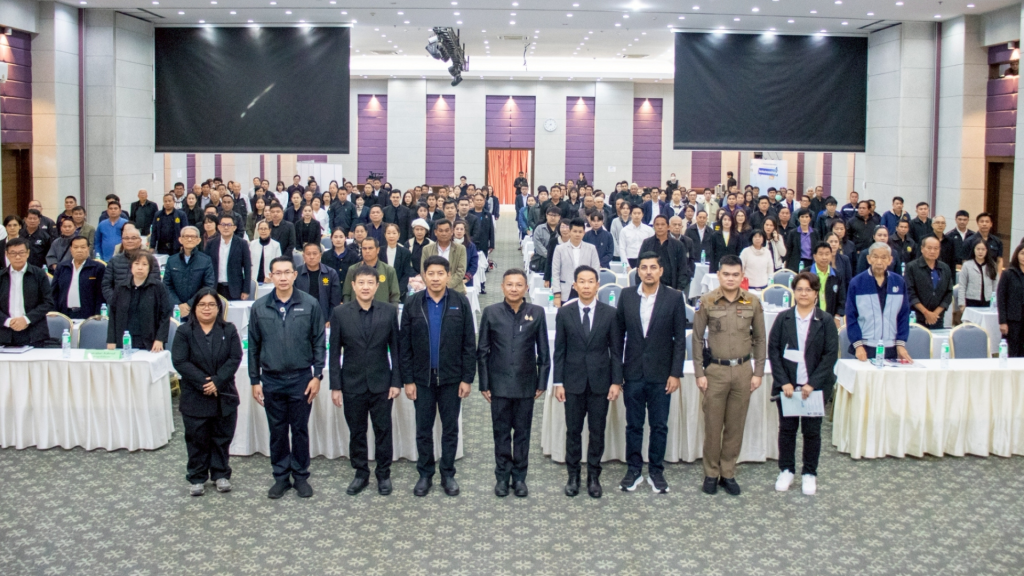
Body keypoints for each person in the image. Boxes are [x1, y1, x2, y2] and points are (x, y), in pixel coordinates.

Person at [248, 255, 326, 499]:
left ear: (294, 275)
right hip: (271, 379)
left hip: (301, 378)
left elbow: (319, 341)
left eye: (287, 272)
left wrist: (317, 375)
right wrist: (254, 380)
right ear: (270, 276)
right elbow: (253, 346)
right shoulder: (259, 307)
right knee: (278, 431)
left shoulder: (310, 304)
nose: (282, 277)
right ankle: (281, 477)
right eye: (277, 273)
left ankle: (301, 476)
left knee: (300, 430)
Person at [400, 256, 476, 497]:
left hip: (451, 379)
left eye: (440, 273)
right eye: (430, 273)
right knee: (423, 429)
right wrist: (408, 380)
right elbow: (404, 346)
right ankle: (425, 474)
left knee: (450, 429)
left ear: (448, 276)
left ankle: (448, 474)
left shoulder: (460, 302)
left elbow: (469, 343)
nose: (435, 278)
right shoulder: (412, 303)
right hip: (421, 379)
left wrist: (467, 378)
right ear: (424, 276)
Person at [692, 254, 767, 496]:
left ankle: (728, 472)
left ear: (742, 276)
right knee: (713, 426)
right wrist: (699, 372)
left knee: (735, 426)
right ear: (719, 275)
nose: (731, 279)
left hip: (743, 371)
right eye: (726, 274)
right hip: (716, 371)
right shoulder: (707, 301)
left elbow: (760, 339)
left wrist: (758, 372)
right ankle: (711, 473)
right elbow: (696, 338)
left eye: (736, 274)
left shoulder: (752, 302)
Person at [616, 252, 687, 494]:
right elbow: (618, 336)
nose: (648, 271)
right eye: (644, 267)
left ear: (661, 271)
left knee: (659, 426)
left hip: (662, 374)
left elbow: (680, 340)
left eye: (653, 267)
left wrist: (675, 373)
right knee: (633, 425)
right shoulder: (626, 296)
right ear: (638, 271)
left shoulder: (674, 297)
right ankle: (634, 470)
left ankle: (656, 471)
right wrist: (618, 373)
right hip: (633, 372)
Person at [328, 265, 402, 496]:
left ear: (377, 286)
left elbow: (396, 349)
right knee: (357, 432)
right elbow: (334, 353)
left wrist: (396, 381)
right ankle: (361, 473)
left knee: (383, 431)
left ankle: (383, 474)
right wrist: (335, 386)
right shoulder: (340, 313)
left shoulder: (388, 311)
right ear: (353, 285)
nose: (365, 287)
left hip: (382, 383)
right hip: (352, 383)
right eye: (361, 283)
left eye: (370, 283)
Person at [477, 269, 549, 498]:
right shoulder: (491, 312)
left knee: (522, 434)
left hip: (526, 384)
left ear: (526, 288)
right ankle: (502, 477)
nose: (514, 289)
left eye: (519, 285)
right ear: (502, 287)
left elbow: (544, 351)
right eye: (510, 284)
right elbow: (482, 351)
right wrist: (484, 384)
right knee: (501, 434)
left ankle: (519, 478)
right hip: (498, 385)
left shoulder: (536, 312)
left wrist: (542, 381)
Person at [553, 265, 622, 498]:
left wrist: (616, 382)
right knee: (573, 431)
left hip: (600, 383)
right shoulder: (565, 313)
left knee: (597, 431)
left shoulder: (610, 313)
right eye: (581, 281)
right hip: (572, 382)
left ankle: (594, 476)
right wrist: (558, 382)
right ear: (574, 285)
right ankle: (573, 476)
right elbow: (559, 351)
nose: (586, 286)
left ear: (597, 285)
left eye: (590, 281)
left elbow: (616, 351)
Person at [767, 271, 838, 496]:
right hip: (788, 387)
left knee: (812, 432)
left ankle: (809, 472)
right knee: (787, 430)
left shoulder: (825, 321)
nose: (804, 293)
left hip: (813, 389)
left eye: (808, 289)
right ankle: (786, 469)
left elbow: (830, 355)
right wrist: (783, 382)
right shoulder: (783, 318)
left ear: (816, 293)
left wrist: (813, 384)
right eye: (799, 289)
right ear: (794, 292)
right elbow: (774, 351)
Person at [172, 288, 243, 497]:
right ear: (194, 308)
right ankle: (197, 476)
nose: (207, 308)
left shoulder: (229, 329)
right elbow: (180, 361)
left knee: (222, 437)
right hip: (195, 394)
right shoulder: (184, 331)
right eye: (202, 304)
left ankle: (221, 473)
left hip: (223, 393)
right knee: (197, 438)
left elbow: (235, 358)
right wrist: (205, 382)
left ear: (218, 308)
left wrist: (217, 381)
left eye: (212, 304)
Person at [845, 242, 912, 362]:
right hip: (866, 345)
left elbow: (903, 315)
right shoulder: (857, 283)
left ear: (890, 260)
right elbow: (851, 316)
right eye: (875, 257)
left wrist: (901, 344)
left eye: (884, 257)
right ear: (869, 259)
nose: (879, 261)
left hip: (891, 345)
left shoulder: (899, 282)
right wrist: (858, 345)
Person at [106, 251, 171, 352]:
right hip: (123, 340)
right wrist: (111, 340)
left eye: (144, 264)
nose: (140, 267)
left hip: (151, 342)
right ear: (131, 266)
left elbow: (165, 315)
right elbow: (113, 314)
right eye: (136, 263)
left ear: (150, 268)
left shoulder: (158, 287)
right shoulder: (121, 287)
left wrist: (160, 339)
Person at [0, 238, 54, 347]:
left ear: (28, 253)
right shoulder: (1, 276)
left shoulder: (39, 274)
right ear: (6, 254)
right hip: (4, 334)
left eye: (21, 253)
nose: (18, 257)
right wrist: (8, 321)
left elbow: (48, 303)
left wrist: (26, 319)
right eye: (13, 253)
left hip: (34, 334)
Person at [163, 226, 215, 319]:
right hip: (176, 309)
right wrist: (178, 305)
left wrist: (189, 304)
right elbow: (167, 285)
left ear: (198, 240)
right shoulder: (171, 260)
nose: (189, 239)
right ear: (180, 239)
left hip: (198, 309)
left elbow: (208, 286)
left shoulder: (205, 260)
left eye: (193, 237)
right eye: (186, 236)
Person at [100, 224, 160, 304]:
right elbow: (106, 285)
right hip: (119, 304)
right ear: (122, 241)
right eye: (126, 238)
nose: (130, 241)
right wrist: (115, 301)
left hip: (144, 304)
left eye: (133, 238)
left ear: (140, 241)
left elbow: (155, 284)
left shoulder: (150, 260)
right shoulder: (114, 261)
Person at [551, 218, 601, 307]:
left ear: (584, 233)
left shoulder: (591, 249)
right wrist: (557, 295)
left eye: (580, 232)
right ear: (570, 232)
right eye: (575, 231)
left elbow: (596, 271)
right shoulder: (559, 249)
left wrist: (594, 292)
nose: (577, 234)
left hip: (585, 289)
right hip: (565, 291)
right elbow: (555, 272)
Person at [52, 236, 105, 319]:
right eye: (76, 247)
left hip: (89, 315)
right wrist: (54, 311)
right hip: (64, 313)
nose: (79, 250)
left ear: (88, 248)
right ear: (71, 249)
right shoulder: (62, 267)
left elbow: (100, 295)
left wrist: (98, 314)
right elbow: (54, 292)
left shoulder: (98, 268)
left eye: (83, 247)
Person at [205, 214, 252, 301]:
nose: (226, 228)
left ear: (234, 228)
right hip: (215, 288)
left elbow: (247, 268)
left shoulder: (242, 244)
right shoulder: (211, 244)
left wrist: (246, 290)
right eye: (223, 225)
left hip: (235, 289)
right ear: (218, 227)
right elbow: (206, 267)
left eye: (229, 225)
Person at [640, 215, 691, 294]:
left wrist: (679, 289)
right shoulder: (647, 243)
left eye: (663, 224)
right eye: (657, 224)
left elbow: (682, 268)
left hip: (671, 287)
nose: (660, 227)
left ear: (668, 227)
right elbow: (640, 265)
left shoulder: (678, 245)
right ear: (654, 227)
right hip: (649, 286)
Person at [342, 237, 400, 304]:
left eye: (370, 248)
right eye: (364, 248)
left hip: (381, 309)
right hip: (357, 309)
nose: (367, 251)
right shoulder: (353, 269)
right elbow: (347, 294)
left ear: (378, 250)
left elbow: (394, 296)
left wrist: (393, 310)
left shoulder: (388, 270)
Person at [295, 242, 342, 323]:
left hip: (324, 317)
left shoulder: (331, 273)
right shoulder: (296, 273)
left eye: (315, 253)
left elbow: (335, 299)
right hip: (301, 317)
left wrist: (331, 319)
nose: (311, 257)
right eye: (308, 254)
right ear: (303, 256)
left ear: (320, 255)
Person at [420, 219, 467, 293]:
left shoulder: (460, 249)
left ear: (452, 232)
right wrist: (435, 286)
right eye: (441, 231)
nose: (444, 233)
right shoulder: (427, 249)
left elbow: (461, 271)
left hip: (455, 290)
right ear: (435, 232)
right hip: (433, 290)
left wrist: (445, 286)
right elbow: (423, 271)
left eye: (447, 230)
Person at [809, 242, 846, 326]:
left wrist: (837, 316)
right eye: (821, 254)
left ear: (831, 256)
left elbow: (842, 299)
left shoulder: (837, 275)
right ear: (815, 257)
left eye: (827, 254)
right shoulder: (806, 274)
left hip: (830, 318)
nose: (824, 257)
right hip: (810, 318)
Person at [997, 244, 1024, 357]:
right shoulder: (1008, 274)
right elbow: (1001, 298)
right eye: (1022, 253)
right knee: (1012, 351)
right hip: (1012, 320)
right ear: (1017, 255)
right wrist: (1002, 321)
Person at [958, 240, 999, 309]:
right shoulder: (967, 265)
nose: (980, 252)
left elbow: (996, 286)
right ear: (974, 250)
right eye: (978, 249)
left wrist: (995, 303)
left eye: (983, 249)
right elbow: (962, 285)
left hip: (988, 301)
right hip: (971, 301)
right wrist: (962, 304)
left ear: (987, 250)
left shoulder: (992, 266)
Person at [381, 223, 415, 298]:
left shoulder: (405, 252)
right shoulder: (379, 251)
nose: (391, 236)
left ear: (398, 235)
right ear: (385, 235)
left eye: (394, 233)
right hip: (382, 290)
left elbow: (406, 273)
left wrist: (398, 291)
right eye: (388, 233)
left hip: (400, 291)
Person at [249, 220, 282, 286]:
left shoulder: (276, 245)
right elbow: (248, 262)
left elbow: (278, 264)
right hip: (254, 278)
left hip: (269, 279)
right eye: (261, 229)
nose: (263, 231)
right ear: (258, 230)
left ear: (269, 230)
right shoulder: (252, 244)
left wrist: (271, 277)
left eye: (265, 229)